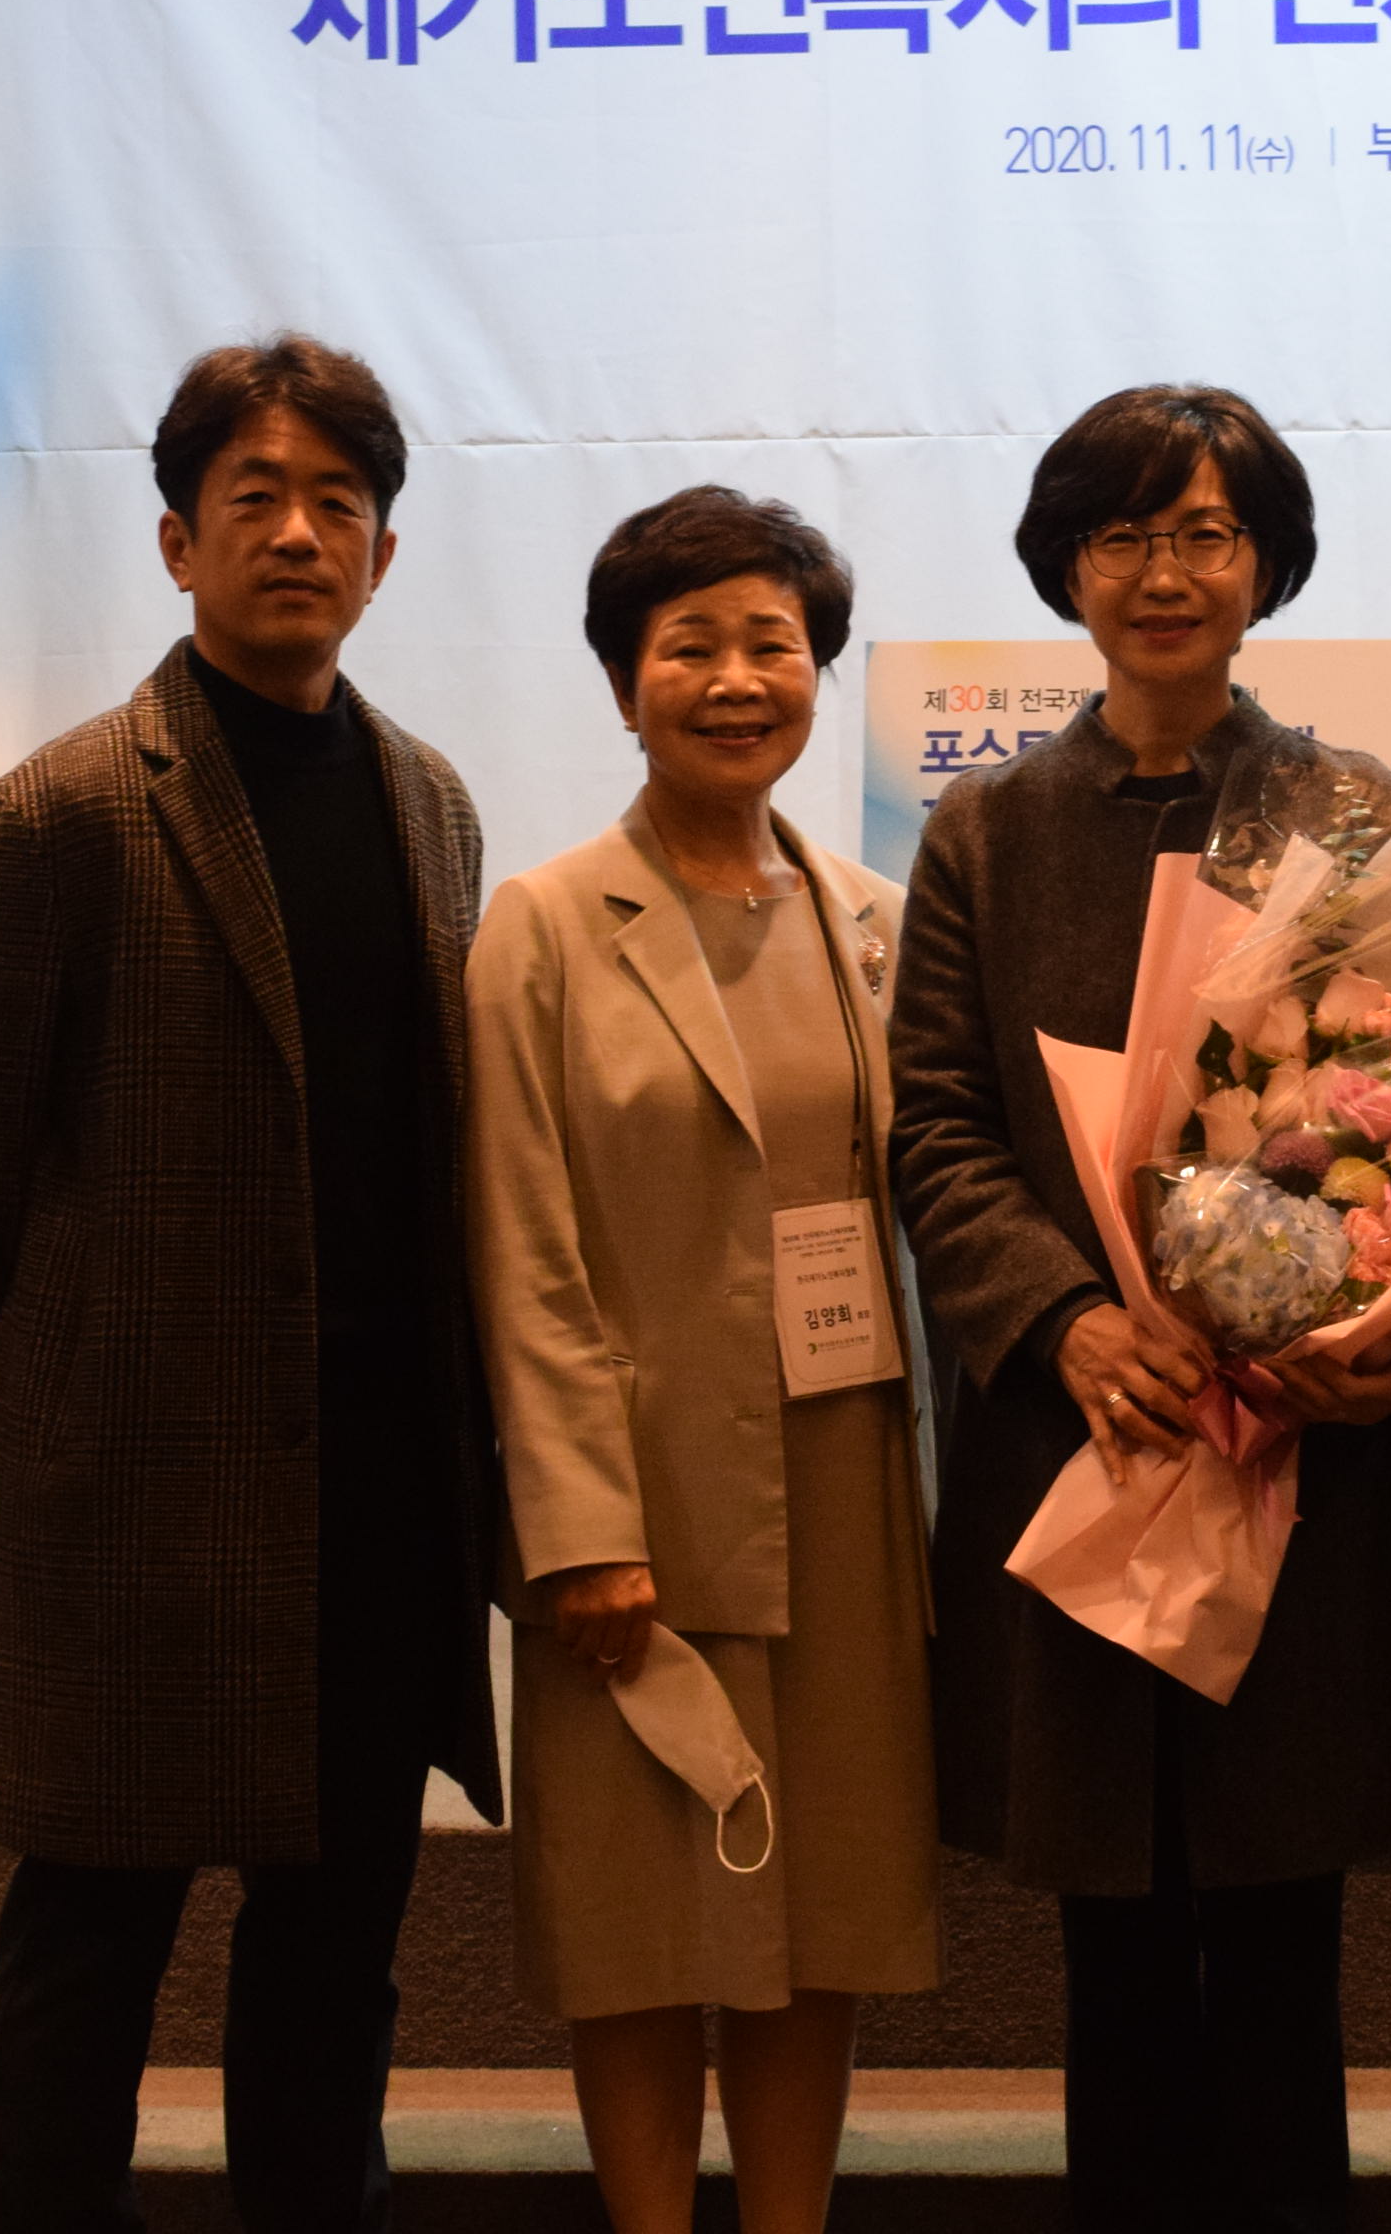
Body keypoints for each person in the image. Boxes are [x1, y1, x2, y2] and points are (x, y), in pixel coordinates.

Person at [889, 384, 1391, 2234]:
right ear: (1067, 567)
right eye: (1124, 534)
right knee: (1112, 1938)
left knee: (1278, 1930)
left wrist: (1375, 1327)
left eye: (1205, 533)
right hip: (1091, 1432)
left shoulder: (1346, 812)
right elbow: (934, 1121)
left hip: (1292, 1447)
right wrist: (1063, 1318)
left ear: (1266, 565)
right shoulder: (989, 830)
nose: (1164, 573)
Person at [0, 335, 497, 2234]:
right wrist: (57, 1396)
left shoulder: (431, 804)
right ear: (177, 540)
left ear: (383, 554)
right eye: (255, 498)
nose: (298, 534)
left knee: (339, 1940)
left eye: (337, 504)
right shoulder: (63, 813)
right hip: (141, 1487)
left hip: (379, 1489)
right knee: (92, 1932)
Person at [467, 485, 939, 2234]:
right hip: (641, 1510)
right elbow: (520, 1252)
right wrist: (577, 1528)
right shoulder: (542, 926)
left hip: (846, 1488)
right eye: (690, 647)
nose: (737, 680)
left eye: (773, 645)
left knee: (820, 1909)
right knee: (642, 1922)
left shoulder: (876, 920)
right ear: (623, 684)